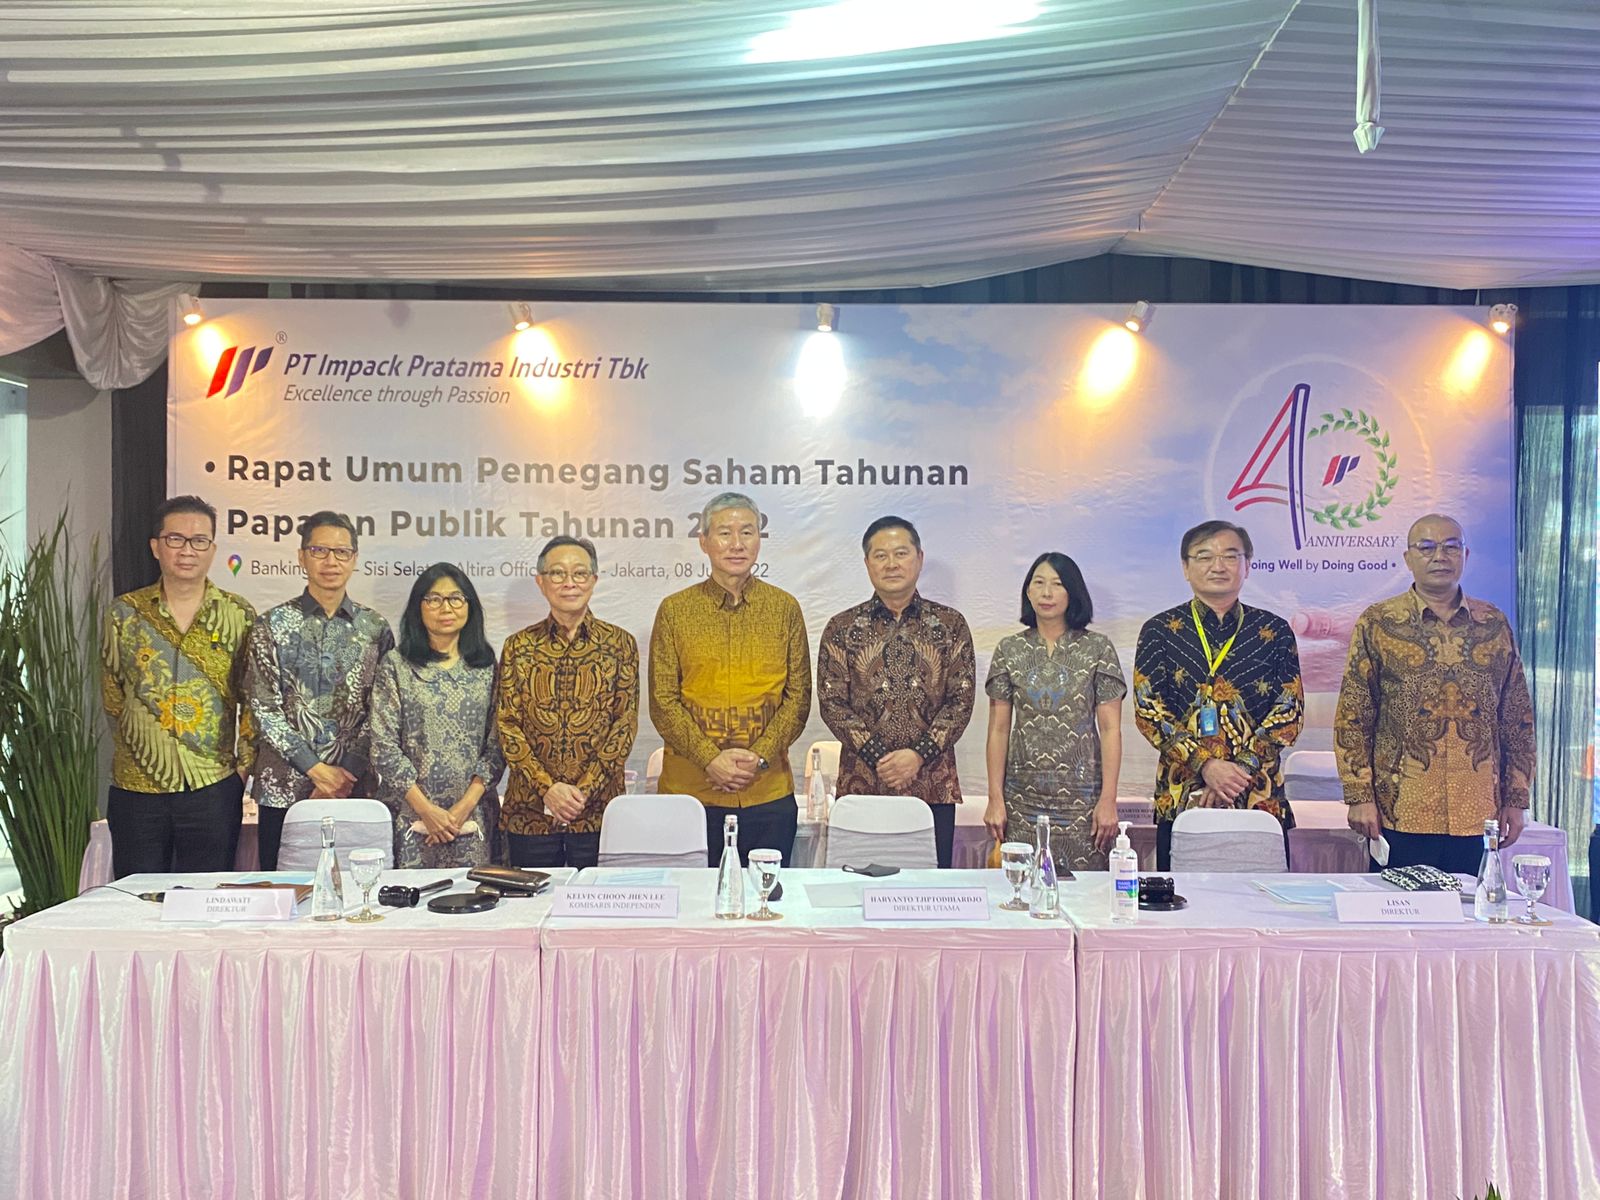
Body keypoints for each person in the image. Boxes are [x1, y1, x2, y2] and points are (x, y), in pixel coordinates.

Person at [1334, 514, 1534, 873]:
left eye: (1450, 547)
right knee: (1400, 907)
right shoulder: (1379, 623)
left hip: (1478, 811)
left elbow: (1517, 716)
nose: (1439, 556)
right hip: (1400, 810)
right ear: (1408, 558)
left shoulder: (1493, 623)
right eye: (1426, 547)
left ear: (1465, 555)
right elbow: (1354, 715)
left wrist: (1516, 799)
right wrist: (1359, 796)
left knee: (1470, 907)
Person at [649, 492, 811, 866]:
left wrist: (759, 757)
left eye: (747, 532)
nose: (737, 544)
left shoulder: (784, 608)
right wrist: (710, 759)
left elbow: (798, 697)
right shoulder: (675, 610)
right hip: (691, 793)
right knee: (691, 899)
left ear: (759, 540)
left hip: (766, 792)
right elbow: (663, 700)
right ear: (704, 541)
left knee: (765, 896)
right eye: (725, 533)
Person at [1133, 520, 1303, 871]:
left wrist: (1239, 771)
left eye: (1230, 555)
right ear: (1185, 567)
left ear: (1247, 565)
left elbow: (1290, 710)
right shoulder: (1159, 631)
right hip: (1183, 795)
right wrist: (1207, 766)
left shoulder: (1274, 631)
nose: (1218, 565)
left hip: (1257, 795)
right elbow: (1148, 711)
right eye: (1204, 556)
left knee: (1263, 898)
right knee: (1182, 899)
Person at [100, 495, 255, 877]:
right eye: (176, 539)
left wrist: (242, 769)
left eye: (199, 540)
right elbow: (112, 695)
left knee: (205, 897)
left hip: (212, 786)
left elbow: (252, 700)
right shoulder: (124, 613)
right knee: (137, 898)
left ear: (212, 549)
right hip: (137, 788)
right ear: (156, 546)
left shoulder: (238, 615)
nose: (187, 550)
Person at [817, 516, 975, 868]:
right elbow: (832, 703)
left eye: (901, 553)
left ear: (919, 558)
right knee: (856, 887)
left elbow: (960, 702)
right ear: (867, 563)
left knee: (926, 891)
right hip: (863, 784)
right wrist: (881, 759)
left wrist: (917, 756)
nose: (891, 564)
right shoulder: (842, 627)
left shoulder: (951, 625)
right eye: (881, 555)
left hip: (932, 785)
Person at [244, 511, 394, 869]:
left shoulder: (375, 628)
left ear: (354, 559)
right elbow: (263, 708)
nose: (331, 561)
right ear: (301, 557)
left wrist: (346, 774)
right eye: (319, 551)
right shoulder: (271, 625)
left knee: (358, 889)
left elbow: (383, 710)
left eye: (342, 552)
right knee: (285, 892)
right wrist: (317, 771)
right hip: (283, 790)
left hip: (354, 789)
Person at [496, 536, 638, 869]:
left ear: (594, 580)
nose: (569, 582)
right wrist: (548, 789)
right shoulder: (519, 646)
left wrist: (582, 793)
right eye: (558, 573)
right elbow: (507, 725)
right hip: (530, 814)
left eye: (580, 573)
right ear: (541, 581)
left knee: (598, 902)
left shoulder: (620, 644)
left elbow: (624, 725)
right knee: (529, 900)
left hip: (597, 813)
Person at [984, 552, 1125, 871]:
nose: (1047, 593)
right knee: (1021, 887)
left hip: (1083, 800)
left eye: (1058, 584)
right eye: (1039, 583)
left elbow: (1111, 730)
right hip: (1021, 801)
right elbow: (998, 729)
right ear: (1028, 591)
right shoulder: (1010, 649)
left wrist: (1108, 799)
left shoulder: (1098, 648)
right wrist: (995, 799)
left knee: (1085, 892)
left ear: (1073, 592)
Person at [370, 564, 505, 869]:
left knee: (474, 895)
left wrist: (462, 808)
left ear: (470, 606)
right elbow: (383, 746)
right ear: (418, 607)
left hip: (472, 816)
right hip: (409, 815)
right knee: (406, 897)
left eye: (456, 598)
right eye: (434, 599)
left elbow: (497, 745)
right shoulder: (396, 665)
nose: (446, 608)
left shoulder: (486, 666)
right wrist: (426, 811)